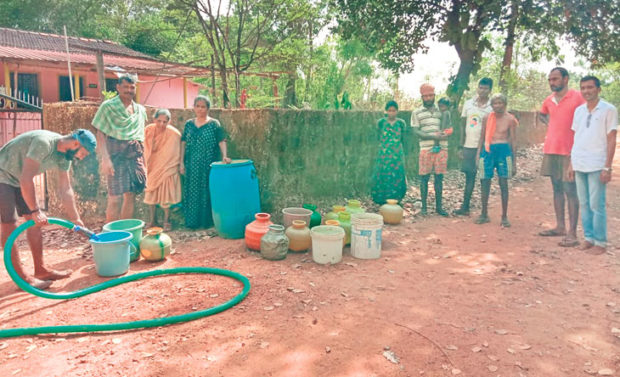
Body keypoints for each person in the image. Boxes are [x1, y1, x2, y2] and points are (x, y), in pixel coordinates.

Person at [0, 129, 96, 289]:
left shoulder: (65, 157)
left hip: (18, 178)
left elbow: (65, 189)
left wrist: (75, 219)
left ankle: (41, 271)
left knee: (35, 223)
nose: (82, 157)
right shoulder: (44, 143)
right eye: (84, 153)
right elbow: (26, 179)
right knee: (10, 225)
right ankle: (22, 279)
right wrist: (35, 210)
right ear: (76, 144)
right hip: (3, 174)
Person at [568, 75, 617, 255]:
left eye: (590, 87)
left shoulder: (608, 109)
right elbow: (577, 138)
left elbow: (611, 139)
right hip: (579, 162)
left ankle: (600, 242)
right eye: (583, 88)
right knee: (584, 202)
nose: (586, 91)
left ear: (598, 89)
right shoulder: (579, 111)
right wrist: (571, 163)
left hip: (597, 163)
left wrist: (607, 166)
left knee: (597, 204)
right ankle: (588, 238)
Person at [537, 67, 584, 247]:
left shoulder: (578, 97)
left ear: (565, 79)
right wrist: (551, 125)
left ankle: (572, 233)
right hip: (551, 149)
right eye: (550, 80)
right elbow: (542, 114)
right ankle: (560, 227)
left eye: (555, 79)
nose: (552, 83)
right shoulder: (548, 100)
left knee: (570, 190)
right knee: (556, 188)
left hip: (570, 151)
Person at [91, 74, 148, 223]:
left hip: (135, 156)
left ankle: (125, 233)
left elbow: (141, 139)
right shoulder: (108, 106)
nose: (129, 90)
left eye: (132, 87)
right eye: (125, 87)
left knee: (130, 195)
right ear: (118, 87)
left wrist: (144, 163)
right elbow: (100, 133)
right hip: (115, 156)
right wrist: (106, 160)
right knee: (114, 197)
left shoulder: (140, 110)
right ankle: (112, 236)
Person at [181, 95, 232, 229]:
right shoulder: (189, 124)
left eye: (203, 106)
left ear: (208, 108)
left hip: (208, 164)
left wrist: (225, 156)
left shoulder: (214, 124)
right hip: (191, 164)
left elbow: (221, 140)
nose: (200, 109)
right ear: (194, 107)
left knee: (206, 191)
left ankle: (206, 222)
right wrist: (181, 162)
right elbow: (183, 143)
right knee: (191, 191)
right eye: (197, 106)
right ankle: (192, 223)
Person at [476, 94, 518, 227]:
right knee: (484, 181)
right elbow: (482, 137)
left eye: (500, 103)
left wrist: (514, 160)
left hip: (504, 151)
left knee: (503, 182)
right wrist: (478, 154)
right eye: (495, 103)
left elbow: (513, 140)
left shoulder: (510, 119)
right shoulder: (487, 118)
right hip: (488, 150)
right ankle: (484, 213)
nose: (498, 106)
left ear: (504, 104)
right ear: (492, 105)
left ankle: (504, 216)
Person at [454, 77, 493, 216]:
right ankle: (465, 207)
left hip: (484, 147)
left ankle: (484, 211)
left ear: (490, 90)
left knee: (484, 178)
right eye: (480, 87)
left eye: (485, 88)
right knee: (469, 176)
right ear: (477, 88)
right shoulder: (468, 104)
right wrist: (460, 145)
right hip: (468, 146)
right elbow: (462, 124)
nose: (482, 91)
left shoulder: (492, 106)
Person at [410, 83, 449, 216]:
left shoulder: (442, 110)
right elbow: (416, 131)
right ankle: (424, 208)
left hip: (442, 148)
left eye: (430, 95)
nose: (428, 98)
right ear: (422, 97)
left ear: (434, 95)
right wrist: (432, 136)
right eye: (425, 96)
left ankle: (439, 207)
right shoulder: (417, 112)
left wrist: (447, 133)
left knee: (439, 177)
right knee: (424, 178)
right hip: (425, 148)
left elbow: (449, 127)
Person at [144, 109, 182, 231]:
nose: (161, 124)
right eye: (159, 121)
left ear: (169, 122)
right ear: (154, 119)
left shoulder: (174, 134)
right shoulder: (148, 130)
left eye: (165, 122)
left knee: (166, 194)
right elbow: (145, 148)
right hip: (152, 166)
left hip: (167, 167)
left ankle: (167, 220)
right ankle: (152, 220)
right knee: (151, 193)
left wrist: (171, 167)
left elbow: (174, 153)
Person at [371, 100, 408, 204]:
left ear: (397, 111)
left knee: (397, 175)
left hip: (397, 154)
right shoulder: (381, 122)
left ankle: (396, 199)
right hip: (384, 154)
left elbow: (404, 139)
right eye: (389, 110)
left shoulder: (401, 123)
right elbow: (378, 137)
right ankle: (381, 199)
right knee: (383, 174)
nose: (391, 113)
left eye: (394, 110)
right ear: (386, 111)